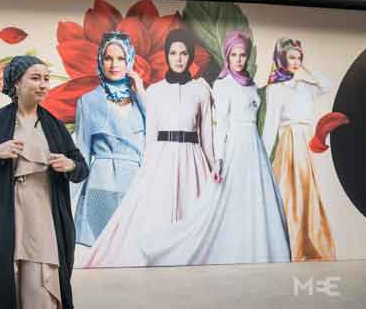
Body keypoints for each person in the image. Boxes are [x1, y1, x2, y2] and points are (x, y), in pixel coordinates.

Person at [140, 31, 291, 266]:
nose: (239, 60)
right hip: (235, 148)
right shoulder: (222, 85)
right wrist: (218, 161)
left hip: (255, 150)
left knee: (255, 204)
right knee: (223, 206)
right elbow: (219, 127)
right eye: (234, 55)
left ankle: (255, 252)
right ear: (227, 57)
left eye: (243, 55)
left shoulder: (252, 86)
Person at [0, 55, 88, 309]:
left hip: (45, 217)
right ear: (15, 83)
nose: (44, 85)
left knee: (42, 286)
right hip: (6, 216)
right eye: (35, 78)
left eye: (46, 79)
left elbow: (81, 169)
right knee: (7, 280)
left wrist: (70, 166)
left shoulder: (55, 126)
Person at [83, 29, 216, 267]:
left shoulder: (201, 90)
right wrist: (147, 166)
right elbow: (151, 133)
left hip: (192, 158)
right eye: (173, 52)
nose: (178, 58)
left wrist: (213, 163)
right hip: (162, 157)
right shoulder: (155, 91)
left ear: (190, 56)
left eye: (183, 53)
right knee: (158, 213)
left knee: (194, 216)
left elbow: (207, 134)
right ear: (166, 55)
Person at [260, 37, 336, 261]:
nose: (295, 62)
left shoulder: (305, 87)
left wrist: (305, 66)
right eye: (291, 57)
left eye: (298, 58)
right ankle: (287, 245)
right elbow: (270, 126)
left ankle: (307, 243)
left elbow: (327, 85)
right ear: (281, 59)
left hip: (303, 142)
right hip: (288, 141)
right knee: (288, 193)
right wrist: (262, 158)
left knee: (306, 192)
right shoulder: (275, 89)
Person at [73, 31, 146, 246]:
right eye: (108, 58)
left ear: (129, 61)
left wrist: (140, 90)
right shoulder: (88, 101)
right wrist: (67, 199)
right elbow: (82, 151)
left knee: (133, 248)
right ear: (100, 61)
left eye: (121, 58)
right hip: (102, 180)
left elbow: (157, 136)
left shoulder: (140, 99)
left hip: (135, 180)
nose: (114, 64)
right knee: (103, 248)